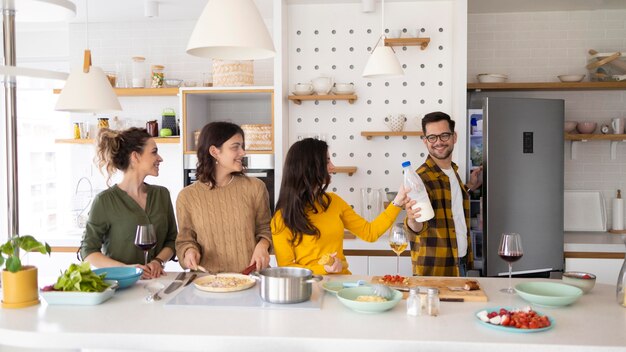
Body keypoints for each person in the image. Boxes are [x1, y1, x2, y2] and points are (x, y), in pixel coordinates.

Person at [271, 138, 408, 275]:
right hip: (310, 288)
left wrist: (397, 201)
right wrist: (323, 269)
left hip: (343, 284)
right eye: (326, 161)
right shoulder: (282, 218)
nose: (332, 167)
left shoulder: (334, 202)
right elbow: (286, 268)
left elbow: (369, 232)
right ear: (309, 167)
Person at [80, 127, 177, 279]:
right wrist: (126, 270)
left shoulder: (161, 195)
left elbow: (172, 240)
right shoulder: (105, 201)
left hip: (156, 283)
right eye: (154, 152)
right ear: (135, 157)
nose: (160, 158)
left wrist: (158, 261)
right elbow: (88, 251)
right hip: (120, 284)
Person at [175, 121, 272, 273]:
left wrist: (263, 245)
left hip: (251, 278)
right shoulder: (187, 197)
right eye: (235, 147)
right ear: (214, 151)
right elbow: (185, 240)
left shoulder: (255, 187)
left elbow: (266, 228)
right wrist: (189, 252)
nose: (242, 152)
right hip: (208, 283)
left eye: (242, 146)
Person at [404, 111, 482, 277]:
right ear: (425, 141)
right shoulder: (420, 179)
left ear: (454, 137)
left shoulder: (452, 171)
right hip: (435, 269)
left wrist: (468, 188)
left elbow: (449, 204)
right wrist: (411, 218)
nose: (438, 142)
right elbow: (417, 228)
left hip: (459, 262)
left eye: (444, 135)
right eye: (432, 137)